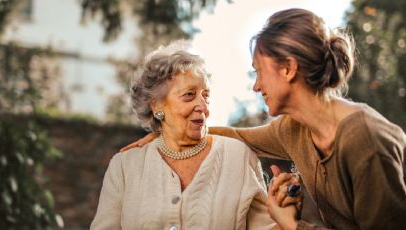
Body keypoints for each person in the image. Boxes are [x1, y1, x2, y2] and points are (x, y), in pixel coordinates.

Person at [123, 8, 406, 230]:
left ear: (288, 69)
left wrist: (292, 225)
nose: (256, 86)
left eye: (259, 71)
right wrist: (170, 132)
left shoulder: (364, 140)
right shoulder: (294, 129)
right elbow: (237, 136)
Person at [90, 41, 286, 229]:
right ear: (156, 105)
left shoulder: (238, 157)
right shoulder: (125, 166)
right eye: (189, 95)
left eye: (206, 96)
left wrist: (287, 216)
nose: (202, 107)